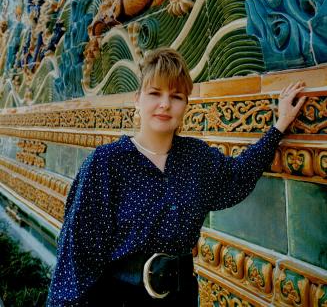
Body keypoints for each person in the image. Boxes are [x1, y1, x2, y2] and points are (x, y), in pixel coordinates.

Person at [46, 47, 306, 307]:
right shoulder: (106, 163)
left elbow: (239, 174)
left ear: (185, 105)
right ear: (138, 99)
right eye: (155, 93)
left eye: (176, 96)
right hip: (120, 297)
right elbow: (77, 254)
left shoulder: (196, 158)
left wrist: (279, 126)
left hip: (181, 297)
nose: (165, 104)